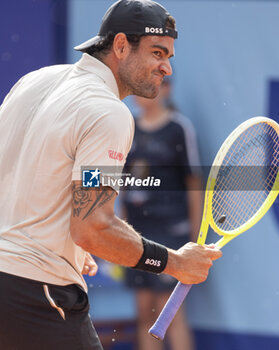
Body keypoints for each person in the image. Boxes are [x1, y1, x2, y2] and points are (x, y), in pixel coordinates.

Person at [0, 1, 222, 349]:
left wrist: (63, 237)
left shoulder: (34, 81)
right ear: (120, 46)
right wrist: (175, 262)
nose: (167, 68)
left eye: (169, 56)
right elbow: (93, 228)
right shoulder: (108, 112)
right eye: (157, 53)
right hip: (34, 291)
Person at [121, 77, 202, 350]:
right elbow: (117, 183)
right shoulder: (127, 128)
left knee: (170, 313)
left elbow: (194, 183)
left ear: (166, 89)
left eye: (149, 85)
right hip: (136, 233)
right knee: (145, 312)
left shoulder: (178, 128)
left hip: (172, 233)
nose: (139, 93)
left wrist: (194, 237)